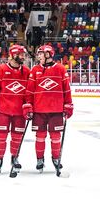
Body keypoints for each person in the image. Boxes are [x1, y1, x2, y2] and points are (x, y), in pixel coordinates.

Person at [0, 43, 32, 176]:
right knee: (0, 136)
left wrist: (29, 104)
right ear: (13, 55)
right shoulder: (1, 70)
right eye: (21, 54)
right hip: (3, 110)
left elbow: (29, 91)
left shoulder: (27, 72)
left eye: (24, 54)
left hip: (20, 111)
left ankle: (14, 157)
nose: (23, 57)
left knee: (17, 136)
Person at [29, 44, 72, 176]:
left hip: (56, 110)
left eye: (41, 53)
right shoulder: (35, 69)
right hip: (39, 110)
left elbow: (66, 89)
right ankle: (40, 159)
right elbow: (29, 90)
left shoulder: (60, 69)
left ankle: (55, 158)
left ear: (48, 54)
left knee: (55, 137)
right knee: (40, 136)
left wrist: (68, 104)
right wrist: (28, 105)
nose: (39, 56)